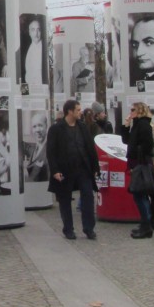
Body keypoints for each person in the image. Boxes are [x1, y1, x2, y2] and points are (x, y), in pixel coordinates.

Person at [47, 100, 100, 240]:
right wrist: (55, 171)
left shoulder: (82, 127)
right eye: (78, 110)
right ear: (69, 111)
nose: (80, 112)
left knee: (88, 196)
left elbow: (90, 148)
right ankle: (68, 229)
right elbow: (51, 152)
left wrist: (95, 167)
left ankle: (89, 228)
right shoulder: (56, 129)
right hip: (65, 169)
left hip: (83, 168)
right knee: (65, 199)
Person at [119, 101, 154, 239]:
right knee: (139, 194)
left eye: (133, 110)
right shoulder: (137, 124)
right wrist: (126, 126)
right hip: (137, 162)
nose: (130, 112)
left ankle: (146, 224)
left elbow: (148, 145)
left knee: (140, 194)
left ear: (139, 110)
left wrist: (138, 152)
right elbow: (126, 141)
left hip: (140, 163)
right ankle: (145, 223)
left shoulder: (143, 124)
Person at [24, 111, 50, 181]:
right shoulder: (34, 148)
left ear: (46, 126)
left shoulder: (50, 148)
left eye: (40, 125)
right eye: (34, 127)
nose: (37, 130)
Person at [20, 17, 46, 85]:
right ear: (29, 32)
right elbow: (26, 74)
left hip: (41, 90)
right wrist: (26, 94)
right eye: (33, 30)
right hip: (30, 89)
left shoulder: (45, 49)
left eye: (38, 30)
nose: (36, 33)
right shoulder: (25, 49)